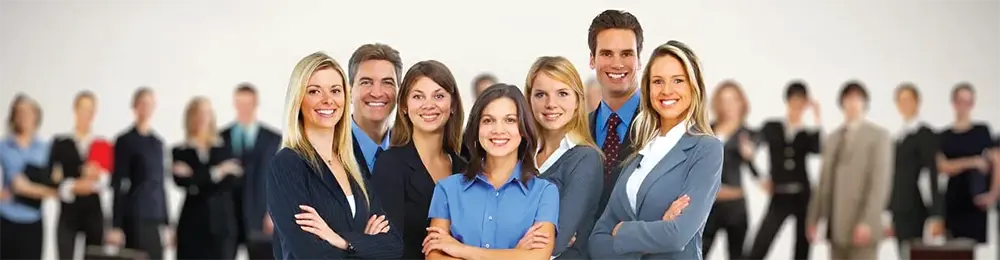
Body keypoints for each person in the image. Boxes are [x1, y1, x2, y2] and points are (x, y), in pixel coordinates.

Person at [589, 40, 723, 260]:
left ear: (693, 86)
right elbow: (596, 242)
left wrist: (621, 231)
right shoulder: (641, 148)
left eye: (678, 80)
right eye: (658, 81)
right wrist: (656, 231)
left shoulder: (706, 149)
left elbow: (676, 236)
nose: (666, 91)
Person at [266, 51, 403, 259]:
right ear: (298, 100)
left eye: (335, 91)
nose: (328, 100)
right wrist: (364, 244)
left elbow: (393, 246)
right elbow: (310, 253)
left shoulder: (352, 163)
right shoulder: (287, 164)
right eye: (314, 91)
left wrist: (340, 240)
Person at [423, 84, 560, 259]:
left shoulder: (544, 192)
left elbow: (538, 257)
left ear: (523, 130)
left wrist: (460, 250)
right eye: (488, 120)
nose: (498, 130)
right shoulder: (447, 189)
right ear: (476, 129)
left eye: (510, 120)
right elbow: (435, 256)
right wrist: (515, 255)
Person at [370, 60, 468, 259]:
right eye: (418, 96)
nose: (428, 105)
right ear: (404, 106)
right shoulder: (390, 164)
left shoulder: (466, 170)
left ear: (453, 105)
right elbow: (388, 247)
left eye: (438, 96)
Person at [520, 56, 603, 260]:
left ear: (577, 101)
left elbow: (555, 243)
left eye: (562, 94)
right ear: (528, 100)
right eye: (540, 94)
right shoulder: (519, 154)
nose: (551, 104)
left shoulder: (585, 159)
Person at [806, 81, 892, 260]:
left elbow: (879, 184)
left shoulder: (879, 137)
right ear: (842, 104)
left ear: (865, 104)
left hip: (862, 227)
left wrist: (867, 222)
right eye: (848, 99)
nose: (853, 104)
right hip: (836, 227)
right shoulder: (832, 139)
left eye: (857, 100)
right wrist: (814, 218)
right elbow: (823, 182)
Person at [747, 81, 821, 260]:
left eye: (801, 101)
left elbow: (818, 149)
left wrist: (817, 117)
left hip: (803, 196)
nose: (797, 105)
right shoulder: (771, 127)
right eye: (793, 100)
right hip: (779, 194)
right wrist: (760, 178)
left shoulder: (807, 133)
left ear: (805, 104)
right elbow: (749, 151)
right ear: (787, 101)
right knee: (759, 246)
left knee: (802, 250)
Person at [586, 9, 645, 220]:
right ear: (592, 59)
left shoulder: (662, 125)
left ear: (639, 60)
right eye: (607, 53)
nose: (617, 64)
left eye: (626, 54)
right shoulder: (577, 130)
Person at [171, 97, 243, 260]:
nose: (202, 117)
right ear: (190, 117)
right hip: (191, 225)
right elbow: (181, 182)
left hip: (222, 225)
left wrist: (196, 178)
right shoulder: (180, 151)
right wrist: (218, 172)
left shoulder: (225, 148)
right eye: (198, 113)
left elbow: (231, 182)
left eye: (206, 113)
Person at [220, 83, 282, 260]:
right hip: (228, 215)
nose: (243, 109)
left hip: (260, 215)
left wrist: (272, 213)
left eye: (247, 104)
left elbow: (278, 180)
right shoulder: (221, 137)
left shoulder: (272, 139)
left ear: (256, 104)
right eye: (239, 103)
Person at [108, 87, 171, 260]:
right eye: (143, 103)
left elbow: (161, 183)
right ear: (135, 106)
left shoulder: (157, 143)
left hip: (155, 215)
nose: (146, 108)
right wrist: (115, 225)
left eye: (150, 104)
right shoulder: (124, 141)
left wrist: (167, 223)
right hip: (134, 215)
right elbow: (119, 183)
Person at [50, 91, 111, 260]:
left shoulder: (102, 144)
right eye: (83, 108)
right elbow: (52, 177)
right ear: (75, 110)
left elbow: (110, 179)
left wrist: (96, 180)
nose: (87, 114)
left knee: (94, 256)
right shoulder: (60, 143)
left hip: (93, 212)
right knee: (65, 254)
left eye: (91, 110)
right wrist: (73, 186)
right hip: (68, 212)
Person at [703, 80, 760, 260]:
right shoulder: (706, 129)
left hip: (735, 206)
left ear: (741, 103)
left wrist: (749, 156)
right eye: (724, 100)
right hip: (708, 205)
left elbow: (754, 167)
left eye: (733, 100)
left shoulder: (748, 134)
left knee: (737, 256)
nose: (728, 105)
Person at [885, 83, 944, 258]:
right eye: (900, 100)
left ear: (917, 102)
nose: (905, 104)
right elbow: (893, 177)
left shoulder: (925, 133)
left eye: (908, 99)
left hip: (917, 209)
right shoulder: (898, 137)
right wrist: (888, 212)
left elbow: (932, 174)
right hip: (899, 210)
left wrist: (936, 215)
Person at [935, 83, 993, 244]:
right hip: (953, 200)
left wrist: (994, 194)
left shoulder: (982, 131)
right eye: (961, 101)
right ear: (953, 103)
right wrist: (973, 161)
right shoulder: (944, 136)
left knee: (974, 250)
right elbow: (943, 167)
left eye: (968, 102)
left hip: (976, 200)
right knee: (953, 250)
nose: (964, 106)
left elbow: (996, 162)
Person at [0, 94, 56, 260]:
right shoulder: (3, 147)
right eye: (19, 112)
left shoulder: (46, 149)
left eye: (27, 112)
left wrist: (25, 188)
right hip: (6, 218)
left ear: (36, 116)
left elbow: (54, 188)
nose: (23, 117)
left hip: (33, 221)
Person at [348, 43, 402, 178]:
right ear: (349, 91)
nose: (377, 93)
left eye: (387, 82)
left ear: (399, 92)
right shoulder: (329, 147)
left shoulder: (409, 149)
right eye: (366, 82)